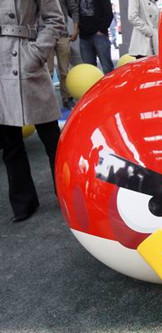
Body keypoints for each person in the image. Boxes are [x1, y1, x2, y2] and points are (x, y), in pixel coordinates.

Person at [0, 0, 65, 222]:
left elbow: (55, 18)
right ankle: (23, 203)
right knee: (9, 142)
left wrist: (37, 53)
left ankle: (67, 193)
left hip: (27, 59)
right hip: (1, 64)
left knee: (52, 138)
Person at [47, 0, 80, 110]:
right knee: (47, 72)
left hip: (63, 34)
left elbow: (74, 8)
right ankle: (47, 101)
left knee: (64, 71)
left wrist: (75, 29)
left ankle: (67, 98)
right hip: (45, 35)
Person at [78, 0, 115, 73]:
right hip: (84, 35)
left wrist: (101, 29)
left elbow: (109, 13)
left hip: (99, 34)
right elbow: (72, 11)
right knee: (89, 69)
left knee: (107, 67)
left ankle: (109, 84)